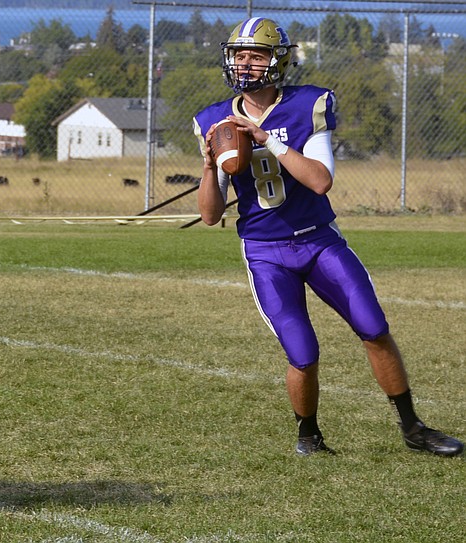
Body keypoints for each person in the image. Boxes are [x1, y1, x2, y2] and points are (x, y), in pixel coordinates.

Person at [194, 17, 463, 457]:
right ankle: (309, 436)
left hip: (319, 240)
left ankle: (413, 427)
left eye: (256, 56)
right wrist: (209, 165)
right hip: (266, 253)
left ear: (277, 62)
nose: (245, 65)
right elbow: (208, 215)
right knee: (303, 352)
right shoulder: (213, 119)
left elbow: (320, 181)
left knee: (373, 328)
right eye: (239, 55)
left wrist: (267, 139)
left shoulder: (308, 105)